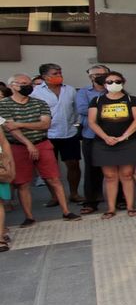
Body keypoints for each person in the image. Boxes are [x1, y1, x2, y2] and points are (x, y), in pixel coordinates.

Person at [2, 73, 80, 224]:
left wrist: (21, 124)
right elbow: (10, 128)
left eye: (29, 83)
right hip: (17, 147)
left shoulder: (39, 103)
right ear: (12, 86)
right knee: (23, 183)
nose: (28, 86)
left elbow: (45, 124)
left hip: (42, 143)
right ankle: (29, 217)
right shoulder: (3, 105)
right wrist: (28, 144)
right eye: (23, 83)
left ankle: (66, 211)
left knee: (54, 178)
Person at [33, 63, 82, 208]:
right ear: (44, 76)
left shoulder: (70, 90)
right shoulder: (36, 92)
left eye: (60, 73)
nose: (59, 76)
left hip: (69, 133)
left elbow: (76, 110)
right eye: (55, 73)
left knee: (73, 164)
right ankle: (54, 196)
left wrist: (75, 124)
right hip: (47, 134)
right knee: (49, 167)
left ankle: (74, 193)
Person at [74, 64, 108, 214]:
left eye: (103, 74)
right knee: (91, 170)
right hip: (91, 136)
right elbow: (82, 109)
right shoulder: (83, 92)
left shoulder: (115, 90)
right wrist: (110, 110)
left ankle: (120, 199)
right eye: (96, 74)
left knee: (116, 169)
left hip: (113, 135)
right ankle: (91, 201)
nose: (100, 77)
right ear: (90, 77)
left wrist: (96, 110)